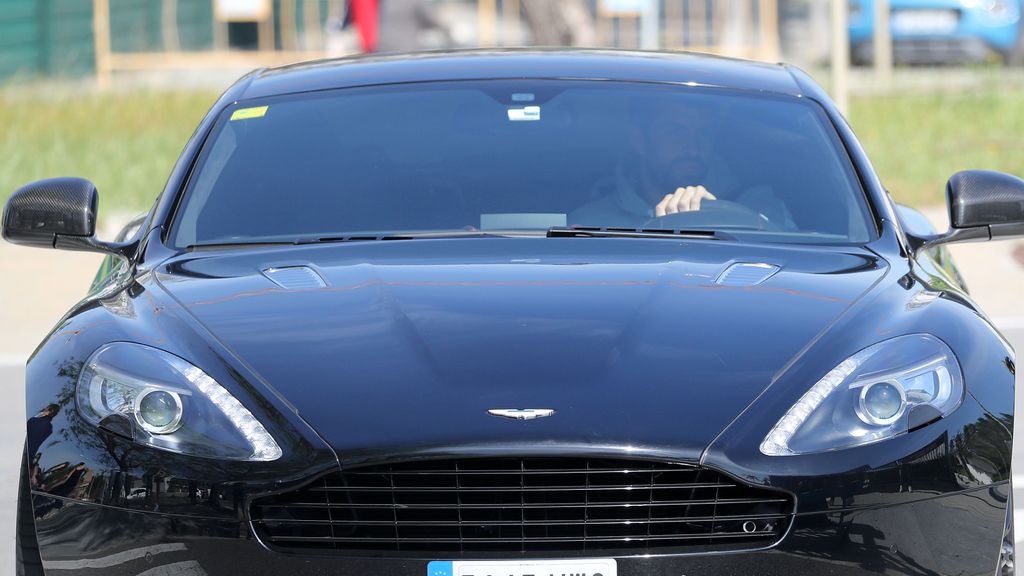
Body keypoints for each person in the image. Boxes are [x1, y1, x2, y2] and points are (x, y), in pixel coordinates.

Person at [569, 99, 794, 229]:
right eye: (675, 132)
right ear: (639, 141)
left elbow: (792, 262)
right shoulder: (591, 224)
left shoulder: (758, 208)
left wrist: (720, 217)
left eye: (703, 133)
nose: (693, 147)